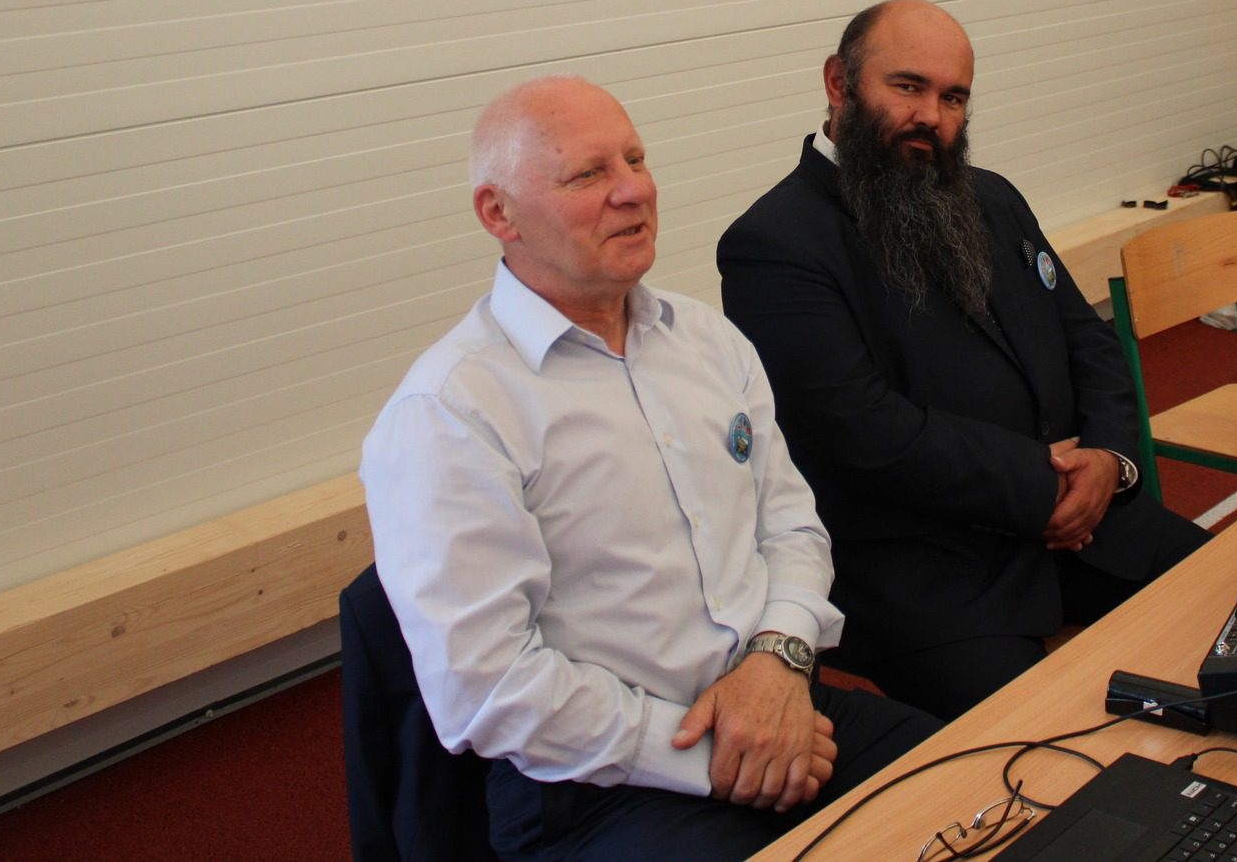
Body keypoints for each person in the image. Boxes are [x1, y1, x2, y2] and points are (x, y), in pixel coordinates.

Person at [360, 76, 936, 860]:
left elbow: (791, 527)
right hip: (598, 783)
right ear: (499, 214)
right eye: (589, 174)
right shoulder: (451, 411)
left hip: (776, 696)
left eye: (635, 159)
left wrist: (779, 659)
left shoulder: (706, 340)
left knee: (990, 780)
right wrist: (717, 749)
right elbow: (489, 688)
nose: (634, 190)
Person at [716, 0, 1208, 719]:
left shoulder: (992, 198)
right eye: (907, 87)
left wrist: (1110, 459)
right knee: (1047, 739)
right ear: (839, 83)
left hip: (1086, 521)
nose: (932, 117)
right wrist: (1042, 484)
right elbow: (860, 430)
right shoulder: (774, 243)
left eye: (953, 97)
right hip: (931, 571)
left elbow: (1088, 339)